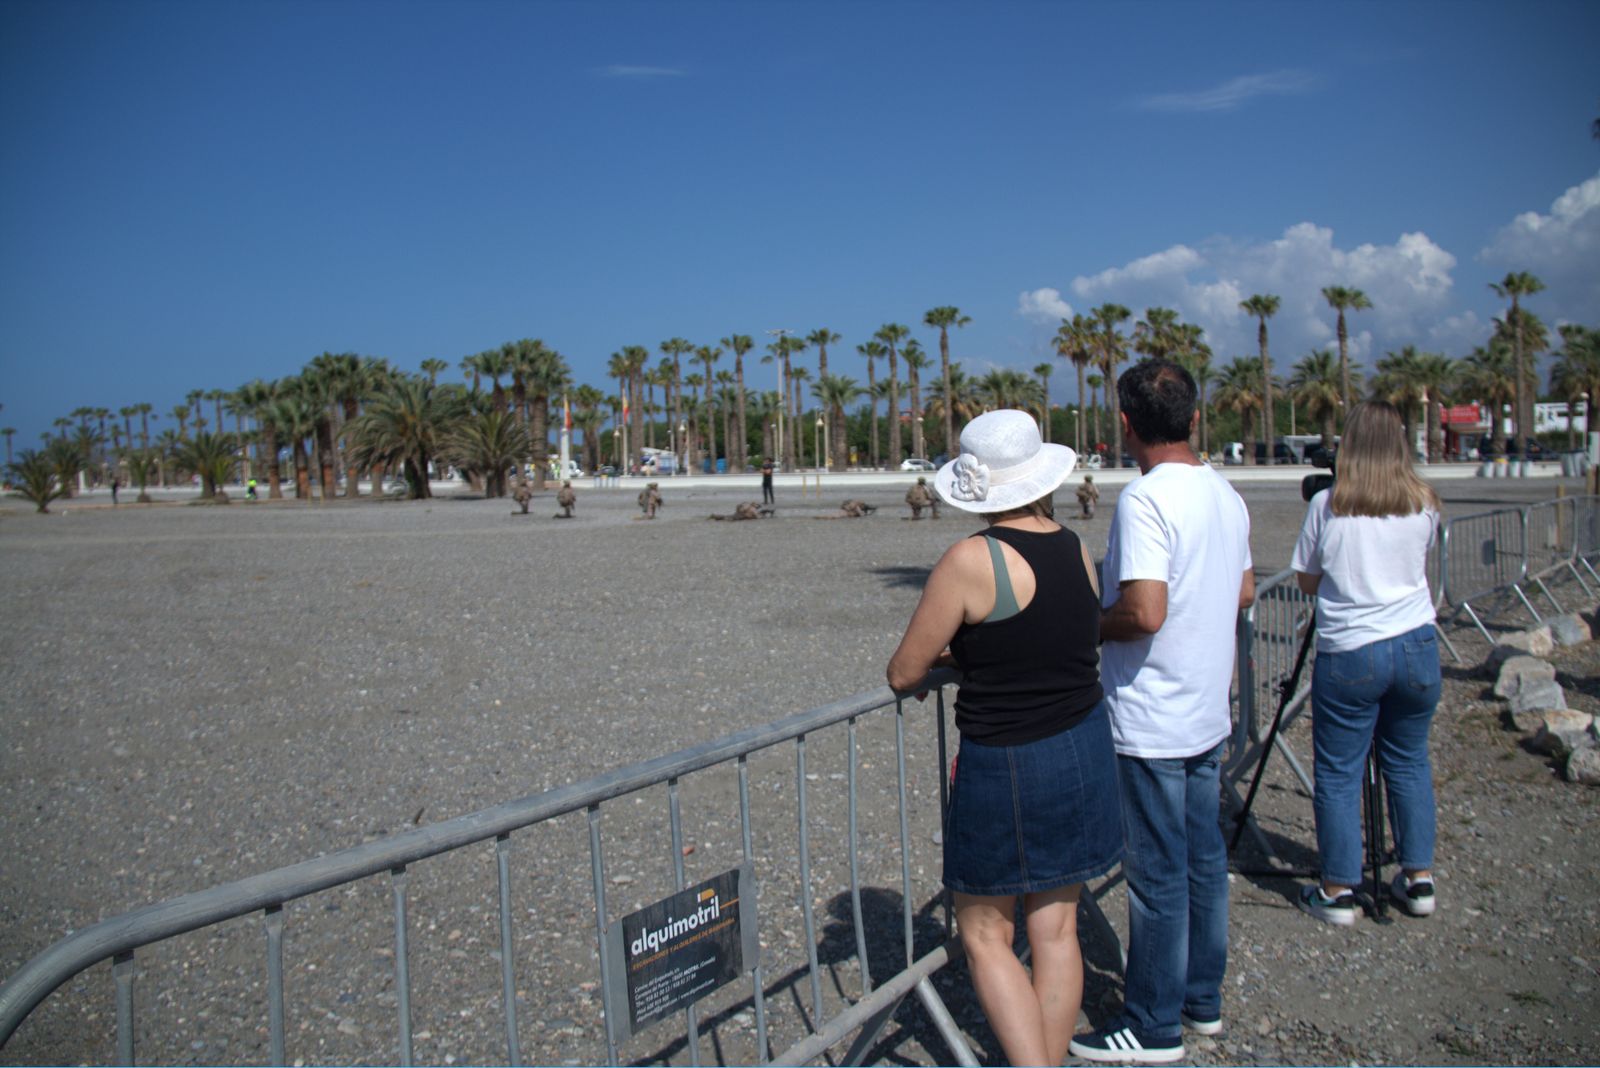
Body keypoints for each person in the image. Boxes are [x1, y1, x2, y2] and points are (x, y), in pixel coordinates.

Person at [887, 409, 1120, 1068]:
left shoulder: (973, 559)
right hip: (1082, 743)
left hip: (1010, 759)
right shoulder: (1073, 545)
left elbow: (904, 671)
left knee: (985, 931)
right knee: (1057, 929)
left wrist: (958, 664)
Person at [1071, 358, 1253, 1065]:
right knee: (1203, 860)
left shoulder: (1145, 499)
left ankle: (1152, 1025)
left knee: (1156, 873)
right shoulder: (1224, 493)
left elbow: (1144, 612)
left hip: (1153, 715)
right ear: (1196, 417)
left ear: (1125, 424)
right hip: (1206, 706)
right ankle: (1201, 999)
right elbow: (1240, 592)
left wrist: (1088, 624)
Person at [1290, 401, 1443, 926]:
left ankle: (1338, 888)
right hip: (1417, 643)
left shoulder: (1328, 506)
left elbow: (1306, 580)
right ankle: (1418, 877)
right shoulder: (1423, 502)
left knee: (1338, 773)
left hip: (1353, 649)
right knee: (1408, 761)